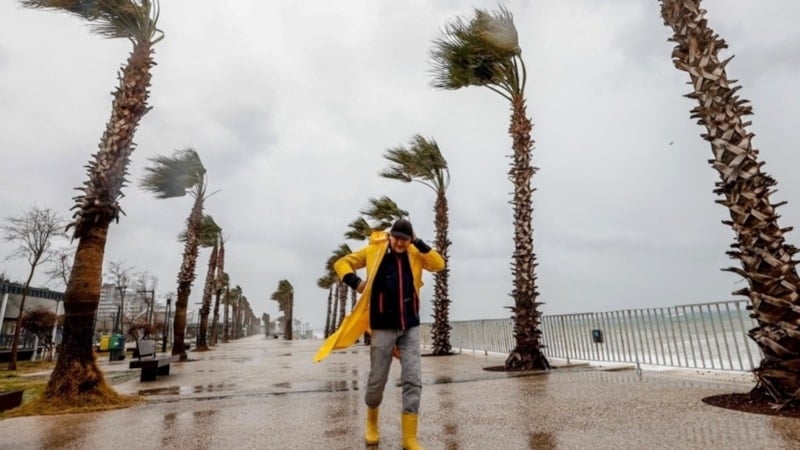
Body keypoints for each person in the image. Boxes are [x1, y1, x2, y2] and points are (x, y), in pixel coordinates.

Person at [313, 218, 444, 449]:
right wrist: (356, 282)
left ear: (409, 239)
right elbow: (342, 262)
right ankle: (372, 423)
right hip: (382, 326)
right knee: (377, 381)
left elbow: (438, 264)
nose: (400, 243)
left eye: (405, 239)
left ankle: (410, 438)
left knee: (413, 380)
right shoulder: (374, 251)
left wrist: (419, 241)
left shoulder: (414, 252)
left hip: (410, 326)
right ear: (390, 235)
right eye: (397, 238)